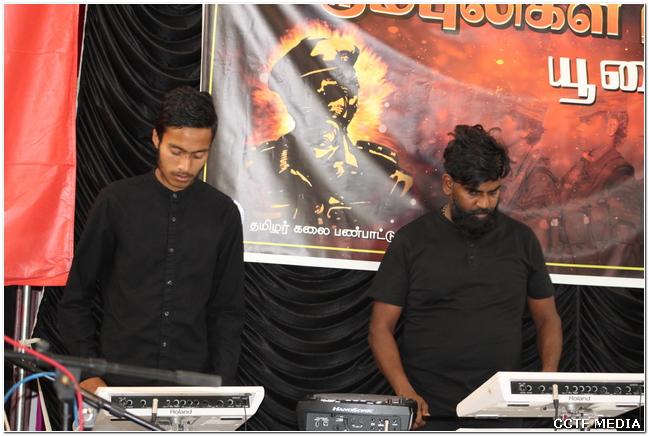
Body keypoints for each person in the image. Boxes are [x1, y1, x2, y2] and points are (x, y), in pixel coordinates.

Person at [368, 125, 562, 431]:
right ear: (448, 184)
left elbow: (548, 318)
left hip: (503, 412)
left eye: (493, 192)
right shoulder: (411, 241)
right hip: (429, 413)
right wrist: (405, 391)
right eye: (473, 193)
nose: (484, 204)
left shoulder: (522, 240)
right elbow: (380, 328)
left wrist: (548, 379)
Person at [58, 86, 245, 391]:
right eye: (176, 151)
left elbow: (227, 311)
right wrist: (88, 373)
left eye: (198, 155)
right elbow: (75, 300)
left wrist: (220, 387)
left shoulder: (223, 214)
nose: (185, 166)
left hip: (192, 391)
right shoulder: (116, 203)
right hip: (114, 387)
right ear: (156, 138)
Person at [249, 36, 416, 227]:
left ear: (351, 101)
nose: (318, 104)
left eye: (330, 92)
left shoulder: (388, 175)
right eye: (307, 93)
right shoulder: (263, 163)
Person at [559, 97, 642, 273]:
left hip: (591, 274)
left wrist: (604, 282)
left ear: (611, 127)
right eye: (580, 121)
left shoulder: (619, 173)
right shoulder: (581, 167)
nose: (579, 127)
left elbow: (624, 241)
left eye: (588, 121)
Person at [494, 107, 560, 254]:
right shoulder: (503, 164)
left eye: (505, 121)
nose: (499, 125)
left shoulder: (539, 174)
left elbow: (529, 223)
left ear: (525, 131)